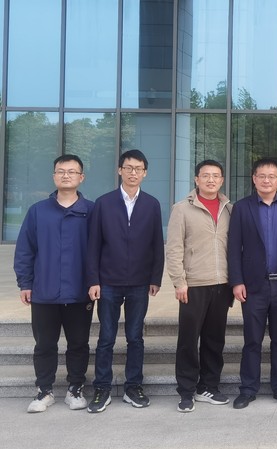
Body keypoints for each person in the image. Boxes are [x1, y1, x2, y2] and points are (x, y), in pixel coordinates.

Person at [14, 154, 95, 413]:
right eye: (61, 171)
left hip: (80, 292)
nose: (66, 175)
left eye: (72, 171)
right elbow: (25, 250)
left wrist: (96, 282)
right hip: (44, 292)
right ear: (54, 176)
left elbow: (101, 251)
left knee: (78, 344)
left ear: (81, 177)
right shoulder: (38, 211)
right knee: (45, 344)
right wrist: (25, 283)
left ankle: (75, 388)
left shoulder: (92, 211)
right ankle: (44, 390)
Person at [86, 149, 165, 413]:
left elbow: (157, 244)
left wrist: (155, 277)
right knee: (106, 337)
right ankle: (102, 388)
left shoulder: (152, 204)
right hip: (108, 282)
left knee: (135, 337)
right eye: (128, 168)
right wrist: (93, 279)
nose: (133, 173)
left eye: (138, 168)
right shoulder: (103, 203)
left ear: (145, 173)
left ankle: (133, 387)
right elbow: (93, 245)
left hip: (140, 282)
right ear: (120, 170)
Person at [228, 158, 277, 409]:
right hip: (253, 286)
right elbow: (233, 248)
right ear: (254, 179)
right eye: (261, 176)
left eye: (272, 176)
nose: (266, 180)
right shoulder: (242, 208)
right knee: (252, 340)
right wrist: (237, 281)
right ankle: (248, 389)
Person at [166, 160, 233, 413]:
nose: (211, 180)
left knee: (214, 340)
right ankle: (186, 390)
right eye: (205, 175)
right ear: (197, 179)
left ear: (222, 180)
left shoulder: (229, 209)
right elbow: (174, 248)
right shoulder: (182, 209)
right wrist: (179, 281)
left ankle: (208, 386)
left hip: (222, 284)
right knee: (188, 339)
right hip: (193, 285)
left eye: (216, 176)